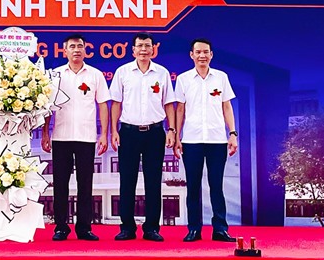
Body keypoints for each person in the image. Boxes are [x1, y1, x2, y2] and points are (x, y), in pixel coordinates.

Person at [41, 34, 109, 241]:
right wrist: (45, 132)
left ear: (85, 50)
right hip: (60, 137)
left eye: (80, 46)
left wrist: (104, 134)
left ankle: (84, 228)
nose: (77, 50)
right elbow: (48, 107)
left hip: (86, 137)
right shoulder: (55, 75)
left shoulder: (95, 75)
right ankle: (61, 227)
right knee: (60, 184)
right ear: (65, 51)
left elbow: (103, 105)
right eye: (72, 46)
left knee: (85, 184)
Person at [109, 33, 176, 242]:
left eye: (148, 46)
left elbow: (169, 104)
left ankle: (152, 228)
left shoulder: (162, 73)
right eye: (140, 46)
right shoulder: (123, 72)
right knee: (127, 180)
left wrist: (171, 130)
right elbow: (116, 103)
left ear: (153, 49)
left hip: (155, 133)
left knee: (153, 181)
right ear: (133, 50)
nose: (144, 50)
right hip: (128, 132)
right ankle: (127, 227)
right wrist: (114, 131)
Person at [173, 38, 238, 243]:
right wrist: (177, 137)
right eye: (198, 52)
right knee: (193, 187)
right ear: (191, 55)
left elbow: (226, 106)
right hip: (191, 140)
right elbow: (180, 109)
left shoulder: (221, 77)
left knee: (216, 186)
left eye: (206, 52)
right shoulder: (183, 79)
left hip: (217, 140)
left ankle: (220, 229)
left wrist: (233, 133)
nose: (202, 55)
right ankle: (194, 229)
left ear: (211, 55)